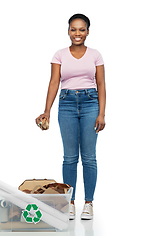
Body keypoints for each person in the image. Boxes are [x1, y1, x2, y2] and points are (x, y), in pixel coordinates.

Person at [35, 13, 106, 220]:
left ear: (88, 32)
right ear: (68, 31)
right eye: (73, 29)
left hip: (90, 103)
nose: (77, 33)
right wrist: (46, 110)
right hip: (66, 104)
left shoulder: (95, 55)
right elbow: (54, 83)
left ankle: (89, 203)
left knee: (89, 157)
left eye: (81, 29)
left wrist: (102, 113)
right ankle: (70, 203)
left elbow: (101, 84)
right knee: (70, 157)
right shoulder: (59, 55)